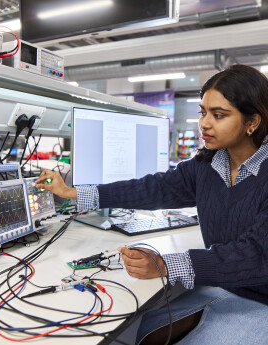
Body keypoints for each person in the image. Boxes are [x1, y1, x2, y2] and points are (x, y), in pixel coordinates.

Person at [35, 64, 268, 344]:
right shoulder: (208, 164)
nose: (205, 123)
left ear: (251, 122)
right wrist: (74, 193)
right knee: (149, 331)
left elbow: (258, 255)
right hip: (225, 283)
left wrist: (166, 264)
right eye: (203, 112)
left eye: (218, 115)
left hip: (262, 296)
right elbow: (152, 189)